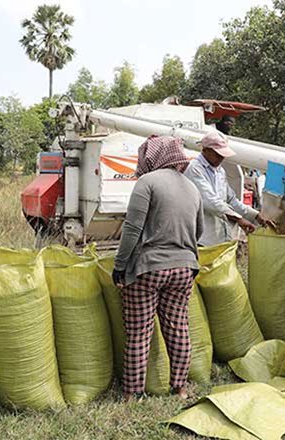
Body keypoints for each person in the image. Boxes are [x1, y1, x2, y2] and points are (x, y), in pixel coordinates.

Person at [112, 135, 203, 401]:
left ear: (151, 157)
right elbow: (200, 231)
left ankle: (133, 393)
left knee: (140, 332)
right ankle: (180, 388)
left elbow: (132, 229)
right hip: (184, 268)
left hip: (148, 269)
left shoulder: (147, 182)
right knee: (178, 328)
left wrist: (120, 266)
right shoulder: (192, 188)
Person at [184, 131, 273, 246]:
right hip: (201, 238)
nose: (221, 158)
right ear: (206, 150)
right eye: (218, 154)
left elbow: (231, 199)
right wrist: (238, 219)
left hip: (218, 237)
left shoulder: (219, 171)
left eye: (223, 155)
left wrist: (255, 215)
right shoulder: (194, 169)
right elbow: (211, 202)